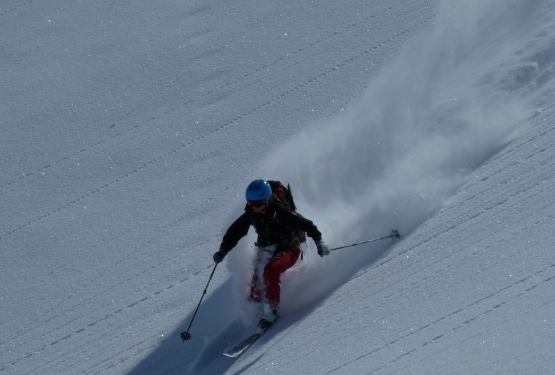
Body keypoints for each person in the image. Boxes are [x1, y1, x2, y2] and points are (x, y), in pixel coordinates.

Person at [213, 179, 330, 333]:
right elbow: (234, 232)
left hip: (290, 247)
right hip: (267, 247)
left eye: (258, 203)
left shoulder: (281, 212)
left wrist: (319, 242)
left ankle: (271, 311)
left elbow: (307, 225)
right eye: (250, 202)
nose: (254, 207)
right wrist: (223, 250)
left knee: (270, 270)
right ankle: (256, 310)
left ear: (267, 200)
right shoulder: (251, 213)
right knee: (256, 288)